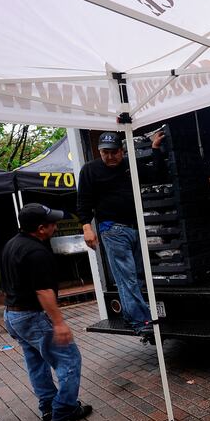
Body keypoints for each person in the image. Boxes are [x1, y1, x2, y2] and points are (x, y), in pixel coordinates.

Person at [1, 203, 92, 421]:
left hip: (13, 315)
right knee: (70, 360)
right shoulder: (36, 252)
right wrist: (59, 323)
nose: (56, 226)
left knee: (36, 363)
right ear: (41, 228)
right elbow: (43, 291)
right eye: (52, 223)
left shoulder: (12, 245)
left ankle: (48, 407)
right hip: (33, 316)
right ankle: (64, 410)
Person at [77, 131, 165, 334]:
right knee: (127, 278)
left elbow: (157, 175)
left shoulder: (129, 165)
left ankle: (131, 316)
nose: (110, 156)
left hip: (134, 228)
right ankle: (140, 322)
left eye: (114, 152)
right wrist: (87, 227)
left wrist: (154, 149)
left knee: (136, 276)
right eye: (105, 152)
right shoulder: (90, 170)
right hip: (112, 230)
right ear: (99, 151)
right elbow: (83, 201)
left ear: (121, 151)